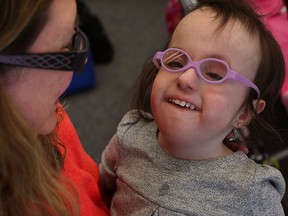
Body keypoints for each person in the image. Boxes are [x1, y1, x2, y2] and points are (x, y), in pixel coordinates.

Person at [99, 0, 286, 215]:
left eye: (214, 74)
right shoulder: (129, 135)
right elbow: (98, 196)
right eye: (176, 63)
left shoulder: (252, 194)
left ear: (244, 113)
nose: (185, 78)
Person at [0, 0, 108, 215]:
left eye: (74, 38)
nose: (84, 61)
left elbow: (97, 191)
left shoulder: (49, 120)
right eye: (65, 49)